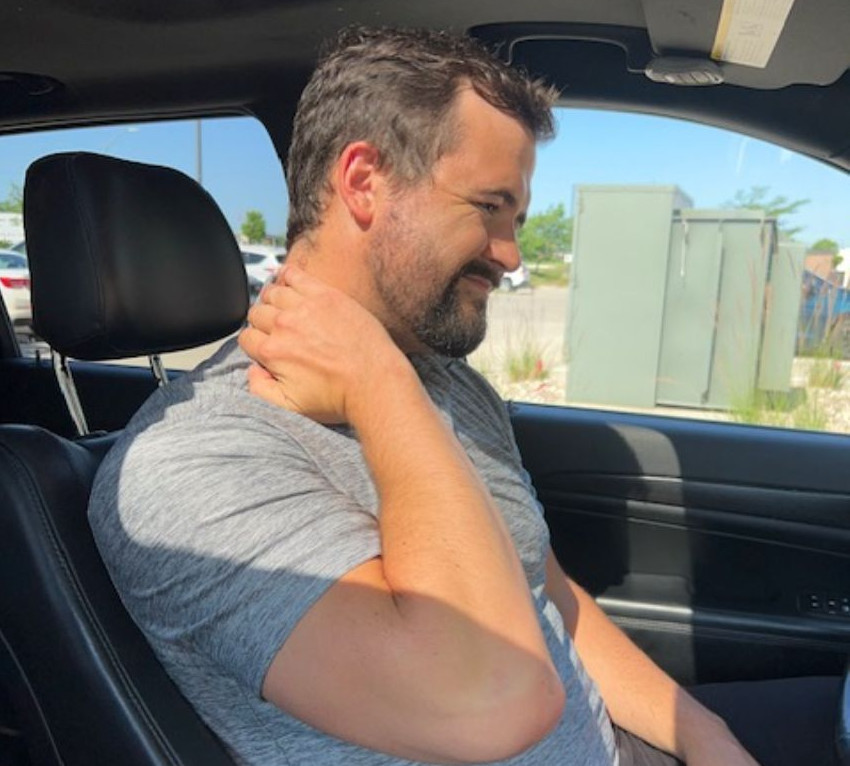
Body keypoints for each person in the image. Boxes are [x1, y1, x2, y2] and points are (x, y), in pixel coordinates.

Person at [88, 26, 839, 766]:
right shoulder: (189, 466)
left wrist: (702, 737)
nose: (512, 257)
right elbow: (491, 705)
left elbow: (550, 598)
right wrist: (380, 389)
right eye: (489, 207)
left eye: (515, 220)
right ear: (363, 182)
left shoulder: (446, 381)